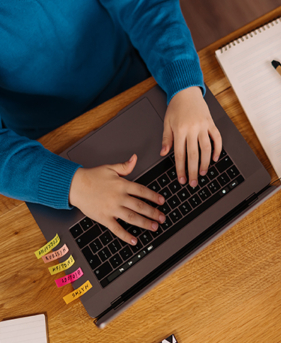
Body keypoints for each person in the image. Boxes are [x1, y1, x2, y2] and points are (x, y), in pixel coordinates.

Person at [0, 0, 222, 246]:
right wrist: (73, 185)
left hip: (132, 84)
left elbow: (145, 5)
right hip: (46, 146)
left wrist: (184, 86)